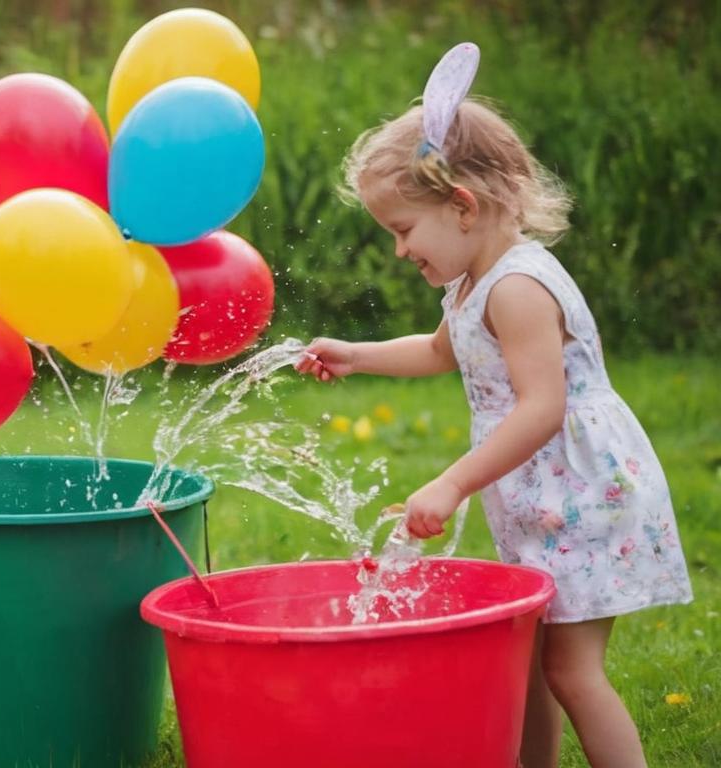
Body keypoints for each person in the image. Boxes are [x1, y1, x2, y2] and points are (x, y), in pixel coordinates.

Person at [295, 44, 692, 768]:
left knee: (571, 670)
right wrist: (356, 354)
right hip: (541, 500)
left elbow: (543, 407)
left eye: (403, 230)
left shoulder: (517, 286)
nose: (397, 251)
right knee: (528, 662)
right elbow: (443, 351)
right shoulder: (469, 286)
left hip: (582, 495)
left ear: (463, 206)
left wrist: (453, 482)